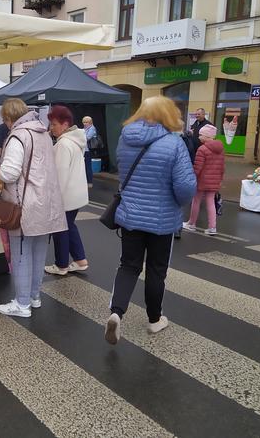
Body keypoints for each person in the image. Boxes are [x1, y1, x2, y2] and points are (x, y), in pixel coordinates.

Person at [105, 96, 196, 344]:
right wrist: (176, 201)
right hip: (162, 219)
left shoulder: (125, 138)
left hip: (131, 215)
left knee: (128, 265)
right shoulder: (174, 143)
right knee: (156, 270)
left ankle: (116, 313)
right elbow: (186, 187)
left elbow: (122, 170)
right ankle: (155, 319)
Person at [0, 98, 66, 318]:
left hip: (25, 204)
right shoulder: (42, 133)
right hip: (47, 202)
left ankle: (22, 304)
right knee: (38, 252)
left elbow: (10, 173)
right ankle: (34, 296)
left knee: (21, 253)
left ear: (8, 118)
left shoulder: (17, 136)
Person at [45, 106, 89, 275]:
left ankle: (61, 265)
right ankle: (80, 260)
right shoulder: (76, 140)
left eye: (54, 124)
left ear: (64, 124)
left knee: (60, 229)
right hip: (76, 194)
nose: (51, 128)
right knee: (69, 226)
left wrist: (54, 199)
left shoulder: (63, 144)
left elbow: (60, 175)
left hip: (65, 195)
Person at [183, 124, 225, 235]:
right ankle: (212, 227)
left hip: (201, 180)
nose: (199, 137)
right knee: (210, 202)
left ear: (207, 136)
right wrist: (219, 180)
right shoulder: (221, 149)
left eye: (201, 135)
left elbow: (198, 167)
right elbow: (222, 167)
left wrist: (192, 177)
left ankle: (191, 224)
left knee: (196, 200)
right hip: (214, 180)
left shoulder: (202, 149)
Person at [82, 116, 98, 187]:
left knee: (88, 166)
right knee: (84, 166)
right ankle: (85, 181)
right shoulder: (85, 129)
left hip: (88, 150)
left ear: (90, 122)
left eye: (86, 122)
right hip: (84, 149)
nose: (85, 124)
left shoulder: (92, 128)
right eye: (84, 122)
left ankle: (90, 182)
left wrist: (80, 136)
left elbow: (88, 137)